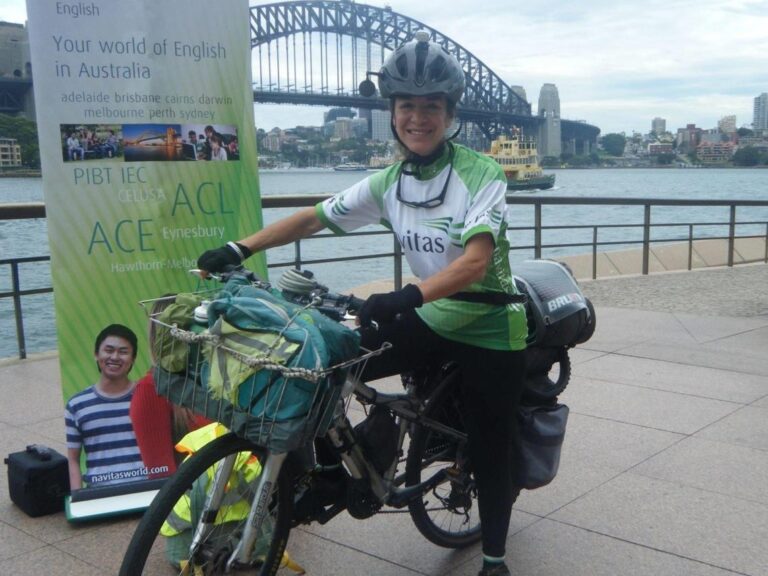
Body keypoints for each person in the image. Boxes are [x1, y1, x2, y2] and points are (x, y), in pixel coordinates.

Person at [197, 30, 527, 576]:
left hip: (491, 325)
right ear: (392, 113)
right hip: (433, 315)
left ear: (450, 114)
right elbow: (314, 218)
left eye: (431, 107)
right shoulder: (390, 181)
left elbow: (474, 261)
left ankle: (494, 560)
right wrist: (241, 247)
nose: (418, 118)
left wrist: (405, 296)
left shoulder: (481, 173)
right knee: (326, 367)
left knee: (491, 448)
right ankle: (335, 473)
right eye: (406, 106)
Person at [64, 324, 148, 489]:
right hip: (100, 493)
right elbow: (73, 460)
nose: (115, 357)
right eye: (109, 350)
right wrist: (78, 497)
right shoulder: (76, 405)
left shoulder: (146, 398)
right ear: (96, 354)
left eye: (123, 352)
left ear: (133, 358)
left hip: (146, 489)